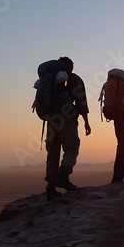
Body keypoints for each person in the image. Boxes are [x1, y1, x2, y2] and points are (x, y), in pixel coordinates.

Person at [46, 57, 91, 200]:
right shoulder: (74, 79)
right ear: (70, 67)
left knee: (52, 152)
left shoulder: (50, 80)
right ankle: (63, 176)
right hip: (67, 117)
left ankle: (50, 187)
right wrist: (86, 122)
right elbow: (81, 101)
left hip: (51, 118)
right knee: (71, 148)